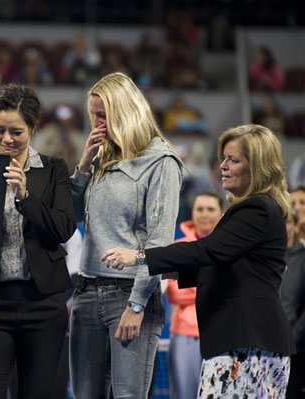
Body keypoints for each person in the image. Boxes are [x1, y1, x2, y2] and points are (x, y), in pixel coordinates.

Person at [105, 124, 295, 397]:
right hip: (248, 342)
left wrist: (140, 256)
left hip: (247, 343)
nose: (223, 166)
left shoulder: (257, 209)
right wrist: (170, 273)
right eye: (223, 158)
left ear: (258, 167)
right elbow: (227, 265)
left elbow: (208, 250)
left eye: (234, 160)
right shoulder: (258, 209)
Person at [69, 72, 183, 399]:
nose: (96, 123)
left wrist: (137, 304)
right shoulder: (102, 156)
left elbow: (159, 242)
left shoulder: (161, 161)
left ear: (126, 112)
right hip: (86, 290)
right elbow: (75, 216)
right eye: (92, 115)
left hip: (129, 294)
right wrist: (85, 164)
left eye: (103, 115)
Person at [0, 83, 76, 398]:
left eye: (16, 132)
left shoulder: (53, 169)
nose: (6, 139)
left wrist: (26, 196)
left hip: (43, 303)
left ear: (32, 128)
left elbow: (63, 229)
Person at [166, 192, 224, 399]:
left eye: (210, 209)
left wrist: (193, 285)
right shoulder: (178, 247)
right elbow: (173, 292)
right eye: (200, 209)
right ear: (192, 213)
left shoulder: (230, 247)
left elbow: (230, 290)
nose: (204, 214)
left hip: (222, 334)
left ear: (222, 213)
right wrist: (213, 288)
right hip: (184, 334)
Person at [280, 207, 305, 399]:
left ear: (296, 226)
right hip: (265, 346)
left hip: (296, 351)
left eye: (288, 222)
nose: (283, 227)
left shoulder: (303, 258)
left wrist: (292, 338)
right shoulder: (264, 258)